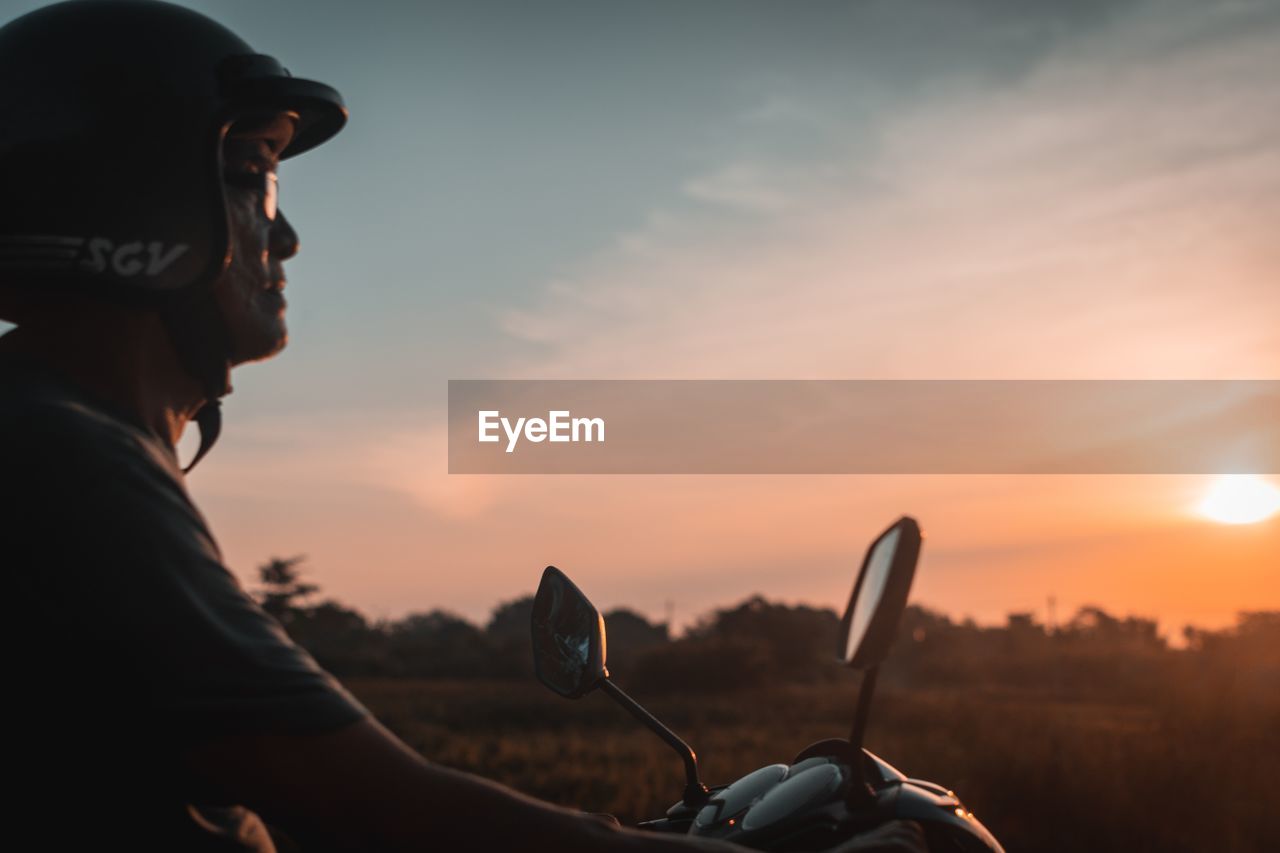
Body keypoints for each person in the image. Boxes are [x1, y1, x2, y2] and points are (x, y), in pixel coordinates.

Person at [0, 2, 925, 851]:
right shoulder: (66, 460)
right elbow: (379, 805)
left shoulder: (55, 441)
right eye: (253, 178)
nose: (285, 239)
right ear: (134, 205)